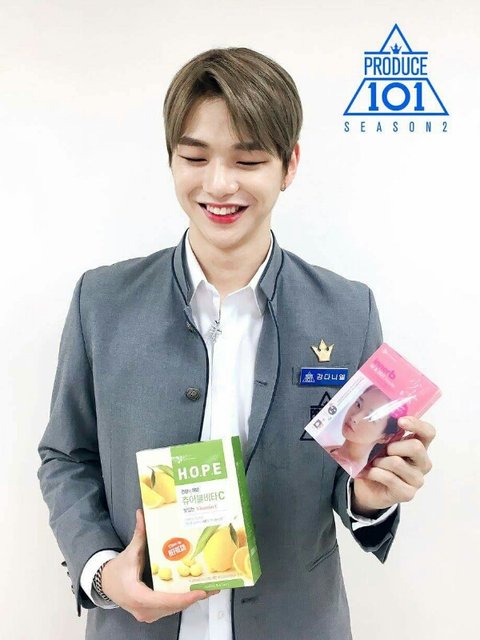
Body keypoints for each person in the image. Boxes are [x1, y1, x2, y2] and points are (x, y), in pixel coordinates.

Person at [37, 47, 436, 640]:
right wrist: (101, 571)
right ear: (170, 159)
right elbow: (66, 456)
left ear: (289, 163)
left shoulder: (347, 311)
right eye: (194, 157)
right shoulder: (102, 301)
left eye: (248, 160)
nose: (219, 184)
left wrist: (370, 497)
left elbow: (350, 478)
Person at [324, 385, 401, 477]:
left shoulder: (358, 477)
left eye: (371, 417)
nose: (354, 418)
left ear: (385, 437)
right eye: (358, 404)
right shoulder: (328, 445)